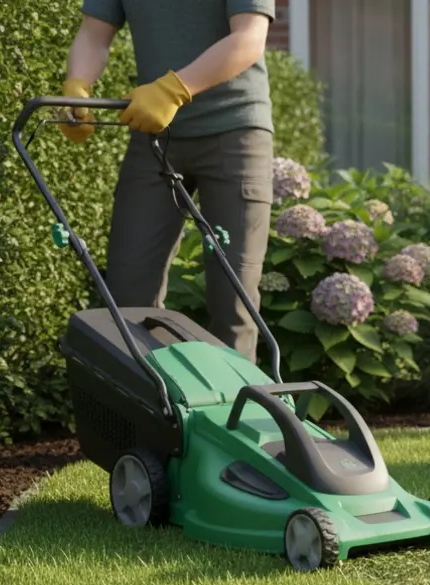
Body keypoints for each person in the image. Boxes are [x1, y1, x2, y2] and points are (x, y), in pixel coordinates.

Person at [58, 0, 275, 362]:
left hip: (235, 133)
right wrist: (77, 85)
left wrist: (175, 88)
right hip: (154, 136)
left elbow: (249, 39)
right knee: (128, 295)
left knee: (233, 299)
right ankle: (154, 408)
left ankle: (236, 414)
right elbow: (94, 35)